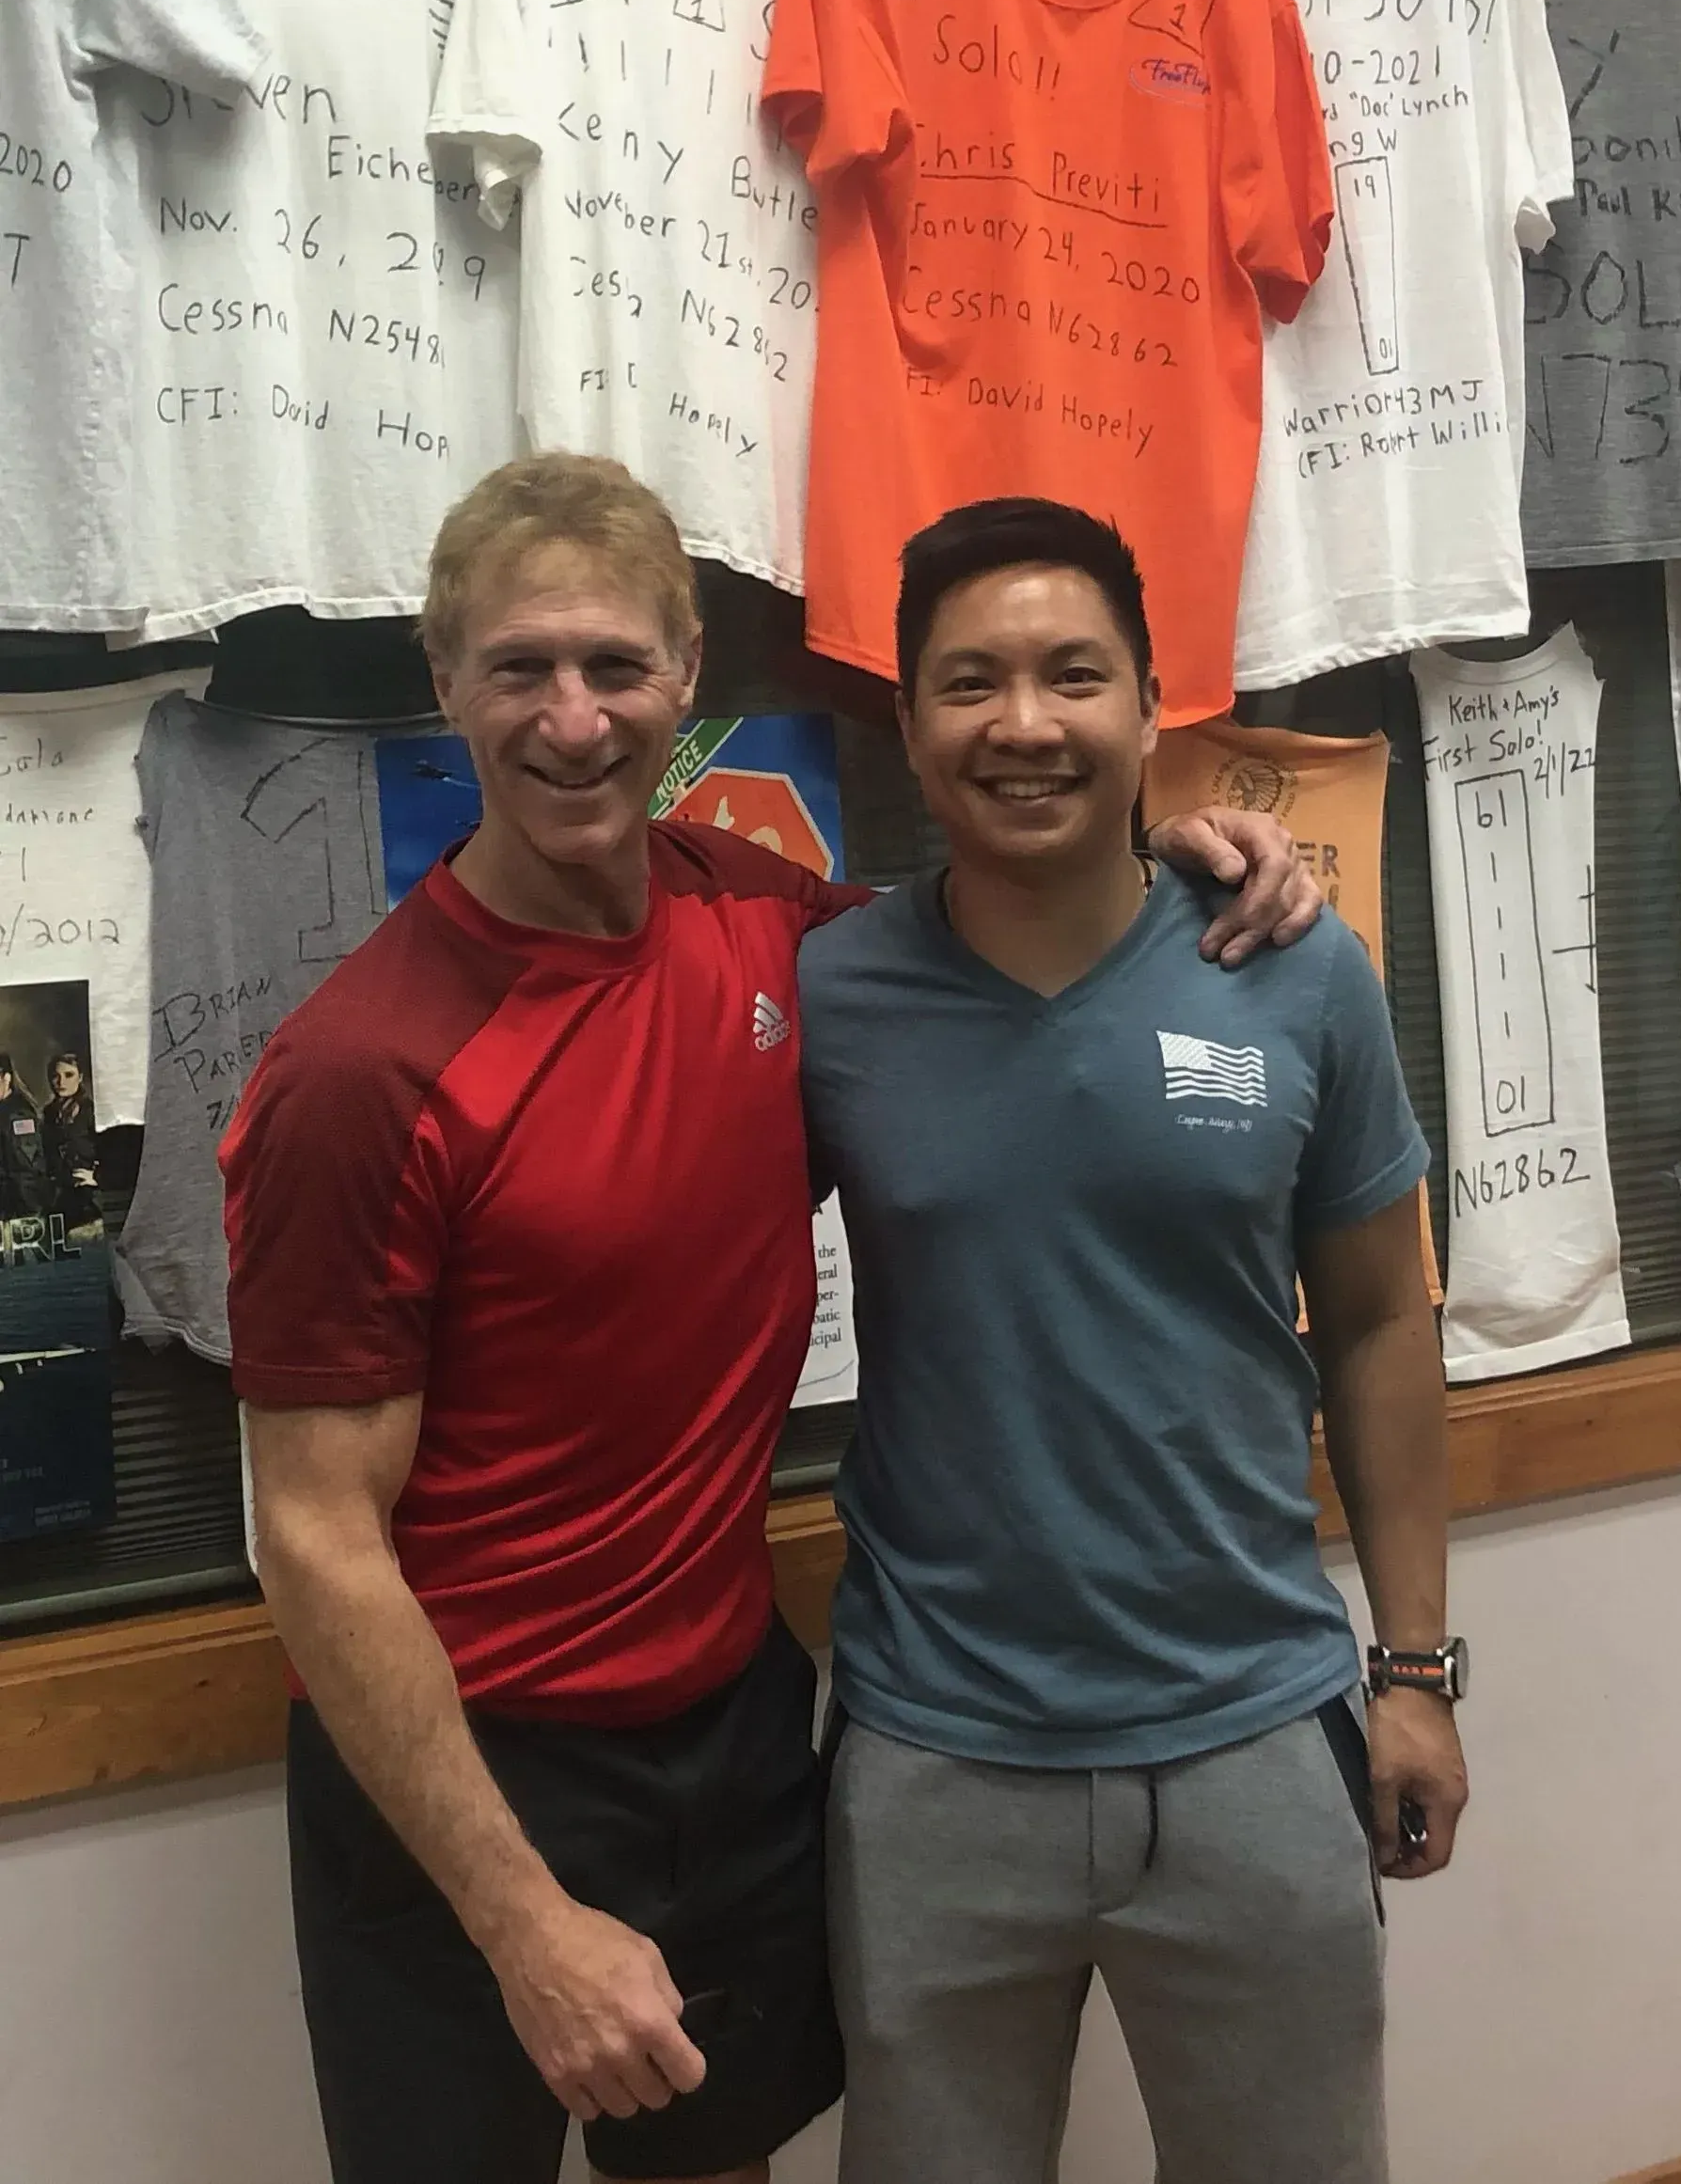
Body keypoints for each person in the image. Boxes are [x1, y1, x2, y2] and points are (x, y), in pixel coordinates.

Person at [219, 452, 1321, 2184]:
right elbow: (309, 1530)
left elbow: (994, 935)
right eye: (520, 668)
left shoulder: (764, 921)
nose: (573, 719)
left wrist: (1177, 838)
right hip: (467, 1763)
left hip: (729, 1723)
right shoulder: (361, 1071)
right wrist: (520, 1916)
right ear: (444, 682)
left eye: (614, 666)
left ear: (685, 683)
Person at [798, 496, 1469, 2184]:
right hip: (935, 1749)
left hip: (1252, 1725)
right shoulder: (829, 997)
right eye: (971, 682)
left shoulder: (1298, 975)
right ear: (907, 722)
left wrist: (1416, 1666)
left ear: (1153, 704)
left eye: (1072, 673)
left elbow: (1385, 1318)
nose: (1024, 722)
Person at [41, 1051, 104, 1240]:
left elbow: (113, 1151)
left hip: (90, 1199)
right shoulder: (49, 1113)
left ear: (80, 1078)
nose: (61, 1082)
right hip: (59, 1197)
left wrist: (97, 1177)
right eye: (55, 1076)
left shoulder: (91, 1111)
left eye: (69, 1075)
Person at [0, 1051, 50, 1221]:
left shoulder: (18, 1115)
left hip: (17, 1209)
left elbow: (26, 1169)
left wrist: (28, 1214)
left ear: (6, 1078)